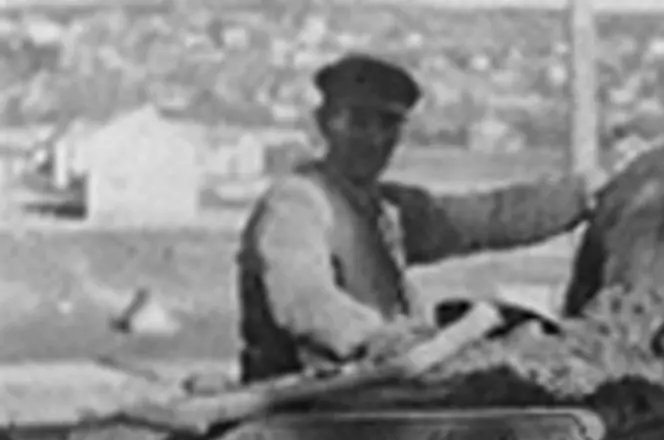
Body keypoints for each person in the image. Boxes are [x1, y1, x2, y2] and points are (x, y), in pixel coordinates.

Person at [237, 52, 599, 382]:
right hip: (305, 404)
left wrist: (582, 196)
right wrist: (383, 339)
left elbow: (485, 218)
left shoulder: (386, 210)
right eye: (358, 121)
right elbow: (303, 299)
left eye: (388, 123)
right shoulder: (297, 203)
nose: (374, 138)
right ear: (325, 122)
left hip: (374, 390)